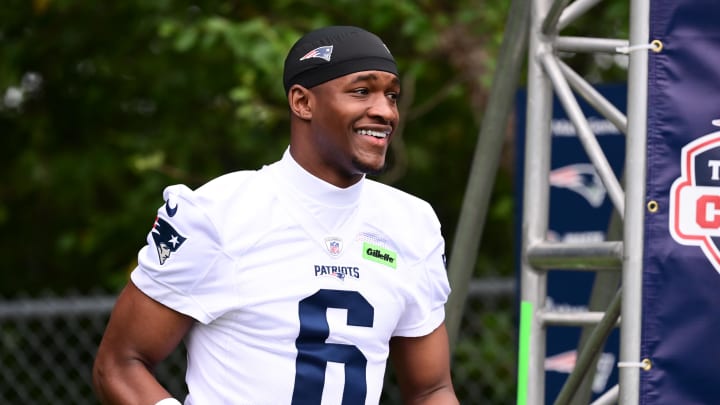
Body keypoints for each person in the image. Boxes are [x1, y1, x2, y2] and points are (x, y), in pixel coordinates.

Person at [93, 25, 459, 405]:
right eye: (362, 91)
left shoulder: (412, 224)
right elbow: (120, 364)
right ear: (302, 102)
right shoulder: (220, 212)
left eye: (392, 96)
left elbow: (431, 389)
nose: (385, 111)